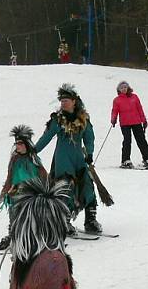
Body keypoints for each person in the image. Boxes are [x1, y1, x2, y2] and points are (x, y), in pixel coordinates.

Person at [33, 83, 100, 234]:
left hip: (79, 159)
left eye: (66, 100)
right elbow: (47, 137)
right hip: (63, 160)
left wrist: (89, 153)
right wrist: (33, 151)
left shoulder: (83, 119)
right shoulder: (57, 120)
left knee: (87, 186)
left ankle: (91, 220)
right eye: (61, 101)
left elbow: (89, 138)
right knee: (66, 188)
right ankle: (64, 221)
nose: (63, 103)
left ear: (74, 101)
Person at [0, 125, 48, 250]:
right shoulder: (14, 160)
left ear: (26, 144)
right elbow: (10, 176)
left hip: (31, 195)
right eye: (16, 143)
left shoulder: (33, 160)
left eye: (20, 143)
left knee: (31, 218)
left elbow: (43, 176)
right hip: (15, 193)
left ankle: (34, 238)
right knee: (14, 216)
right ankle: (13, 236)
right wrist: (4, 191)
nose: (17, 146)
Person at [110, 80, 148, 169]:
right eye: (122, 88)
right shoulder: (117, 100)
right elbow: (114, 111)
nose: (124, 89)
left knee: (141, 140)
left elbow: (140, 109)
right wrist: (113, 119)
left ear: (128, 88)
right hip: (125, 123)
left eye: (125, 87)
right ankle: (125, 160)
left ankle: (147, 158)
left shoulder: (134, 97)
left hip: (136, 122)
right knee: (127, 141)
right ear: (119, 90)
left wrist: (144, 120)